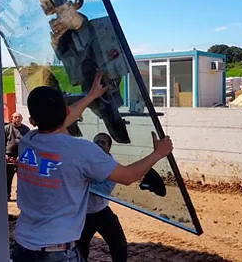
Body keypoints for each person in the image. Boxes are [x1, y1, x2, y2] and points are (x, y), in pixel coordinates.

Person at [10, 71, 173, 262]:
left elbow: (60, 121)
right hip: (56, 253)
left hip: (23, 247)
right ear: (67, 111)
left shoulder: (28, 140)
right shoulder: (81, 150)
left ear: (32, 122)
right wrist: (158, 153)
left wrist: (92, 95)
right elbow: (128, 176)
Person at [77, 133, 127, 262]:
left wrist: (84, 183)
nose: (99, 145)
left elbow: (104, 189)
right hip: (83, 213)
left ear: (109, 147)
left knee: (119, 244)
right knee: (80, 247)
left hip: (102, 211)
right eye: (96, 142)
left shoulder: (113, 166)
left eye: (103, 142)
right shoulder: (84, 161)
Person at [4, 112, 30, 201]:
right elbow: (1, 143)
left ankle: (21, 196)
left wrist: (22, 156)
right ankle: (7, 195)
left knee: (22, 178)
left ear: (21, 119)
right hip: (9, 157)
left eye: (19, 117)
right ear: (11, 119)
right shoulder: (6, 128)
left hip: (21, 157)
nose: (17, 119)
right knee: (8, 177)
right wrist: (5, 154)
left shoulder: (26, 130)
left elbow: (28, 145)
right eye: (15, 117)